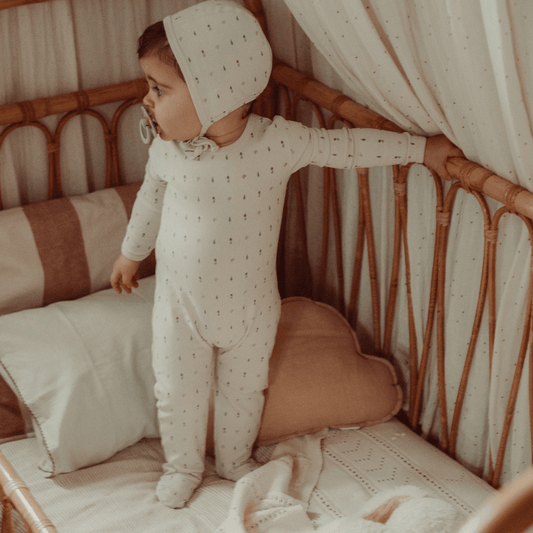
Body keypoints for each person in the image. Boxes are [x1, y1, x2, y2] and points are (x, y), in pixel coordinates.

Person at [110, 0, 464, 509]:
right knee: (177, 390)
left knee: (244, 387)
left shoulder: (277, 144)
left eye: (159, 89)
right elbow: (150, 200)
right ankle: (182, 465)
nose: (146, 100)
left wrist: (420, 150)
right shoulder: (167, 150)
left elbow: (348, 149)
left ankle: (233, 459)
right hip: (179, 304)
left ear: (216, 94)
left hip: (252, 306)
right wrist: (130, 253)